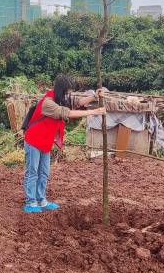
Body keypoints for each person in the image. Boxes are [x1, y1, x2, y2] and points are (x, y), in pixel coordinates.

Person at [22, 75, 106, 213]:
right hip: (34, 140)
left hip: (46, 141)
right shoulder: (48, 103)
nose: (68, 95)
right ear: (61, 90)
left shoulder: (60, 98)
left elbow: (77, 102)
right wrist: (94, 112)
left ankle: (41, 200)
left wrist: (94, 96)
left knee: (44, 172)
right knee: (33, 171)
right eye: (67, 92)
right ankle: (31, 201)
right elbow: (67, 113)